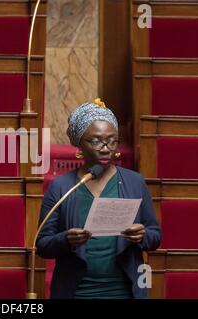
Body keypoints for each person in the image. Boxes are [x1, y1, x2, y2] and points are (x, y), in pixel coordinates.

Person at [36, 99, 161, 299]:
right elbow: (43, 245)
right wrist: (66, 239)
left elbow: (155, 237)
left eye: (112, 140)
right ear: (79, 144)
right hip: (77, 292)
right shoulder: (62, 188)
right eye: (95, 141)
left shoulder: (135, 182)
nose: (105, 148)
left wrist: (142, 236)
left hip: (123, 291)